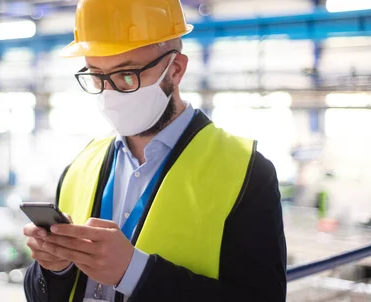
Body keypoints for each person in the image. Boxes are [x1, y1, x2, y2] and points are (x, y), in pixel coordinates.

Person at [23, 0, 287, 301]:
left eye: (127, 75)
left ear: (175, 69)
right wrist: (55, 268)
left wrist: (135, 272)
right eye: (97, 76)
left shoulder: (247, 172)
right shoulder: (80, 166)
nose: (110, 94)